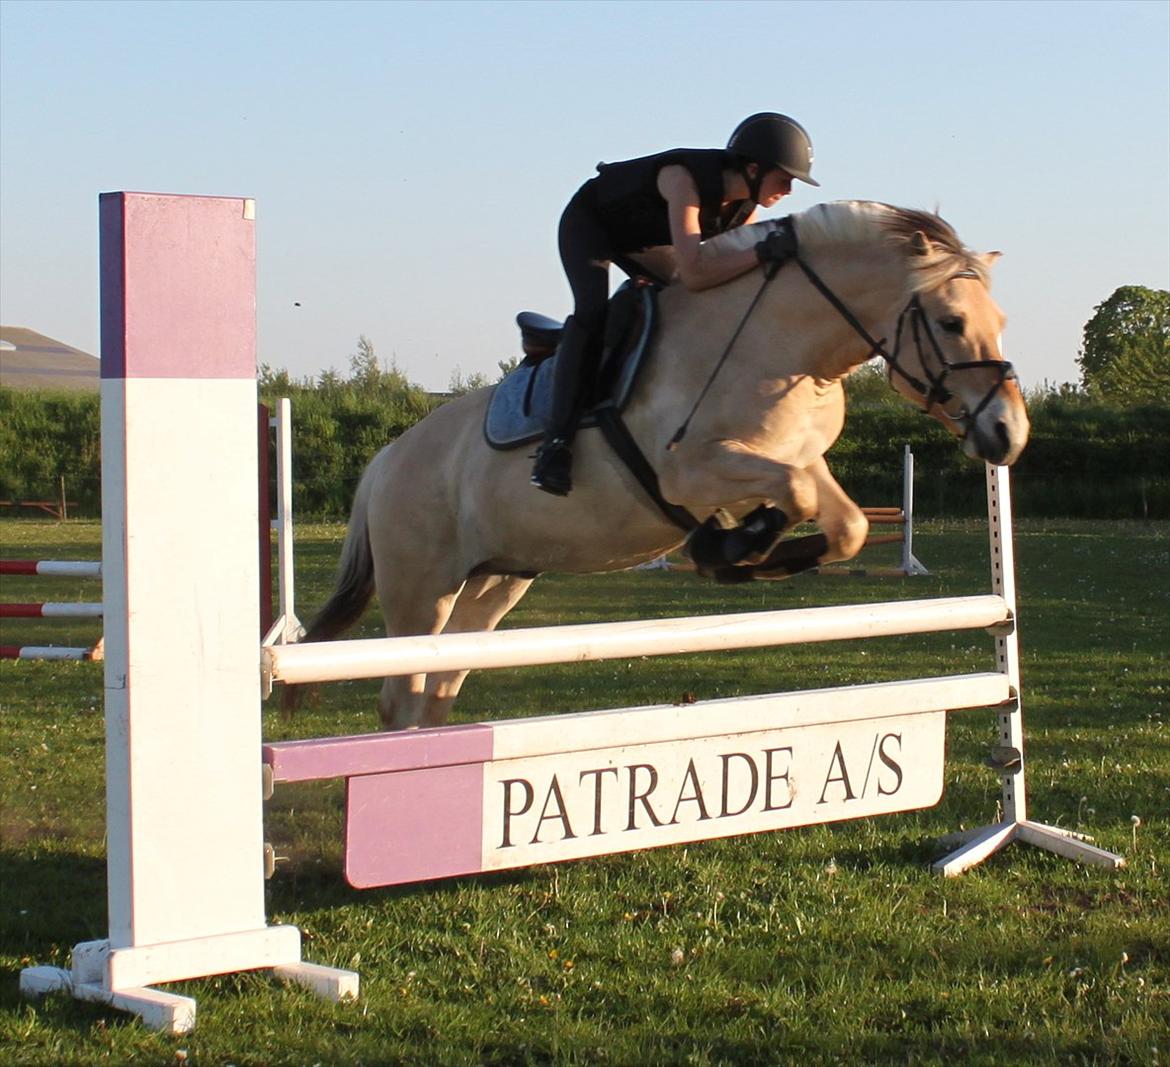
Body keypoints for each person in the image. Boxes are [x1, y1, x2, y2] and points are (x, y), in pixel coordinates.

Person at [530, 112, 820, 497]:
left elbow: (729, 282)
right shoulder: (683, 179)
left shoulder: (744, 209)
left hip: (646, 240)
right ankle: (554, 447)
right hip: (592, 225)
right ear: (753, 169)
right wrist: (762, 253)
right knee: (593, 312)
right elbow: (697, 273)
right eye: (784, 179)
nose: (789, 190)